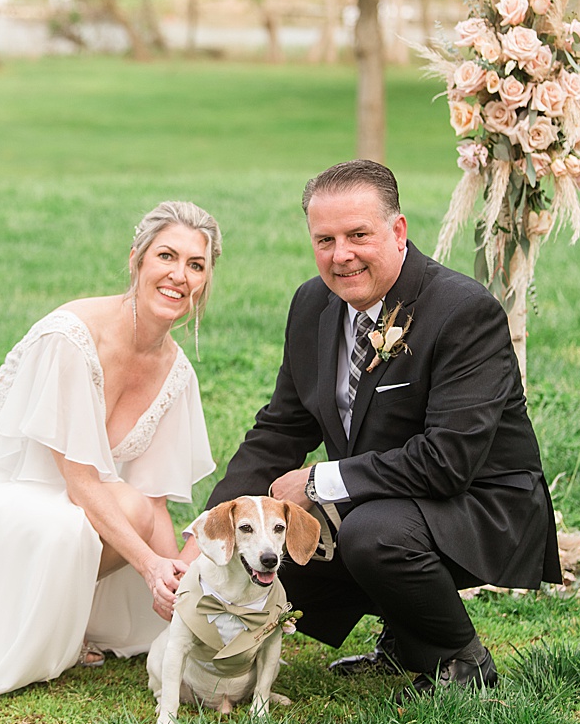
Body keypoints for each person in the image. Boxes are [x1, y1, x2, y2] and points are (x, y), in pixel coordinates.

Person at [191, 159, 560, 695]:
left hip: (481, 504)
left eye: (358, 235)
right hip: (382, 497)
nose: (341, 255)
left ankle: (461, 661)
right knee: (269, 552)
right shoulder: (312, 303)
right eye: (325, 239)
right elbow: (280, 429)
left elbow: (448, 461)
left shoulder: (463, 311)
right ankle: (405, 638)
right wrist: (210, 534)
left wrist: (317, 483)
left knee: (372, 534)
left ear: (398, 230)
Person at [0, 202, 221, 698]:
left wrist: (181, 590)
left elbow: (155, 503)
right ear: (136, 259)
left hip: (64, 504)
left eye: (196, 265)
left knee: (131, 507)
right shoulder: (71, 337)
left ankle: (56, 621)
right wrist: (148, 567)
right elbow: (82, 483)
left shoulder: (177, 374)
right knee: (92, 517)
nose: (179, 275)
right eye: (166, 256)